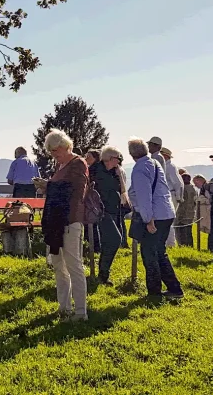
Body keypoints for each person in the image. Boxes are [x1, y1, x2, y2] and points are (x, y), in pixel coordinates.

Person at [128, 137, 184, 300]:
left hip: (155, 215)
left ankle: (154, 292)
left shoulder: (139, 169)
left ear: (132, 154)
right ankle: (174, 288)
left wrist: (148, 220)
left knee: (149, 253)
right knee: (159, 252)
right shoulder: (155, 163)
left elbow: (144, 196)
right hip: (166, 212)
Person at [41, 129, 89, 321]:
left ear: (66, 146)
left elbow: (76, 192)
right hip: (56, 222)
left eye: (56, 150)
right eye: (51, 151)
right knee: (58, 266)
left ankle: (81, 312)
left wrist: (49, 186)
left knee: (74, 266)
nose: (54, 155)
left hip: (70, 221)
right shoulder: (59, 167)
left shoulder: (78, 164)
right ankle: (64, 307)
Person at [89, 146, 130, 285]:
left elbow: (120, 190)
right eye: (117, 158)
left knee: (108, 243)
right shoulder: (95, 170)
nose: (119, 161)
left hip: (114, 210)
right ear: (110, 158)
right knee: (115, 239)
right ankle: (103, 273)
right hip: (101, 211)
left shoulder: (115, 172)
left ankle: (103, 275)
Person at [174, 173, 198, 246]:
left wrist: (180, 215)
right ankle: (190, 246)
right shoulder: (194, 189)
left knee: (181, 233)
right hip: (191, 213)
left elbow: (183, 203)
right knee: (188, 232)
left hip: (182, 214)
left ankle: (183, 246)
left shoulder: (183, 189)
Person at [192, 174, 211, 242]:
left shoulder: (207, 187)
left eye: (195, 183)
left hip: (208, 211)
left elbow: (210, 200)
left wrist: (201, 199)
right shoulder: (203, 188)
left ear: (199, 180)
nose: (195, 185)